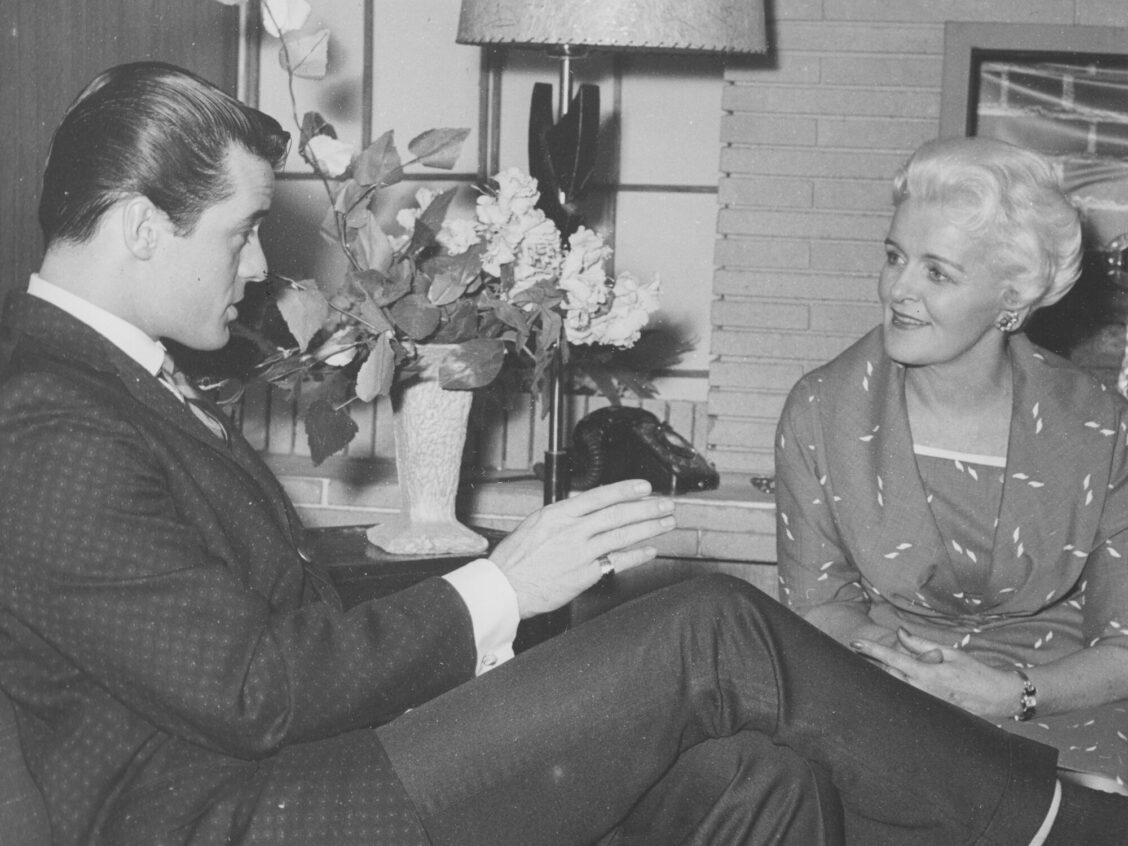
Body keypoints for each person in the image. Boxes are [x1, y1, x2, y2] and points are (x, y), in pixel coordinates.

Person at [0, 62, 1124, 846]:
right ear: (145, 228)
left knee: (760, 779)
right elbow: (251, 692)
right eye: (241, 232)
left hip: (304, 774)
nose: (255, 270)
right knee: (709, 629)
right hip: (246, 816)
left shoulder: (108, 381)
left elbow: (265, 620)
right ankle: (1059, 828)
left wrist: (518, 606)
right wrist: (502, 583)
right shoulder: (49, 420)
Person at [776, 136, 1128, 797]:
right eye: (894, 257)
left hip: (1062, 702)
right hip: (884, 692)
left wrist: (1012, 695)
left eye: (937, 272)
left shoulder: (1102, 424)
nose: (898, 289)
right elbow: (818, 607)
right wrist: (911, 676)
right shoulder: (822, 411)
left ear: (1013, 298)